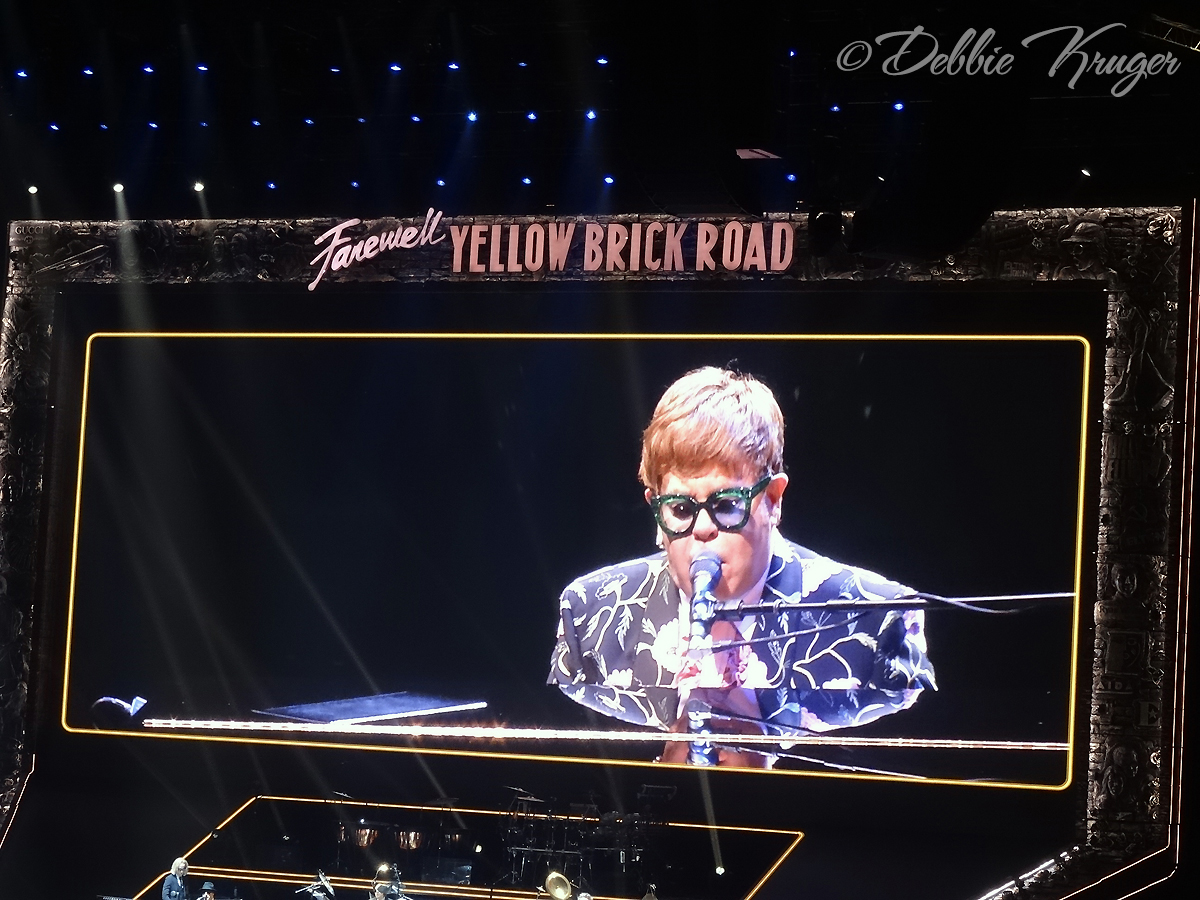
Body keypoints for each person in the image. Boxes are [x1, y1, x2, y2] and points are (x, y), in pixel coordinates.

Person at [548, 367, 936, 767]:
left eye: (726, 504)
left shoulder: (879, 619)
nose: (702, 529)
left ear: (773, 499)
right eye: (680, 509)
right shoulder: (589, 617)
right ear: (656, 509)